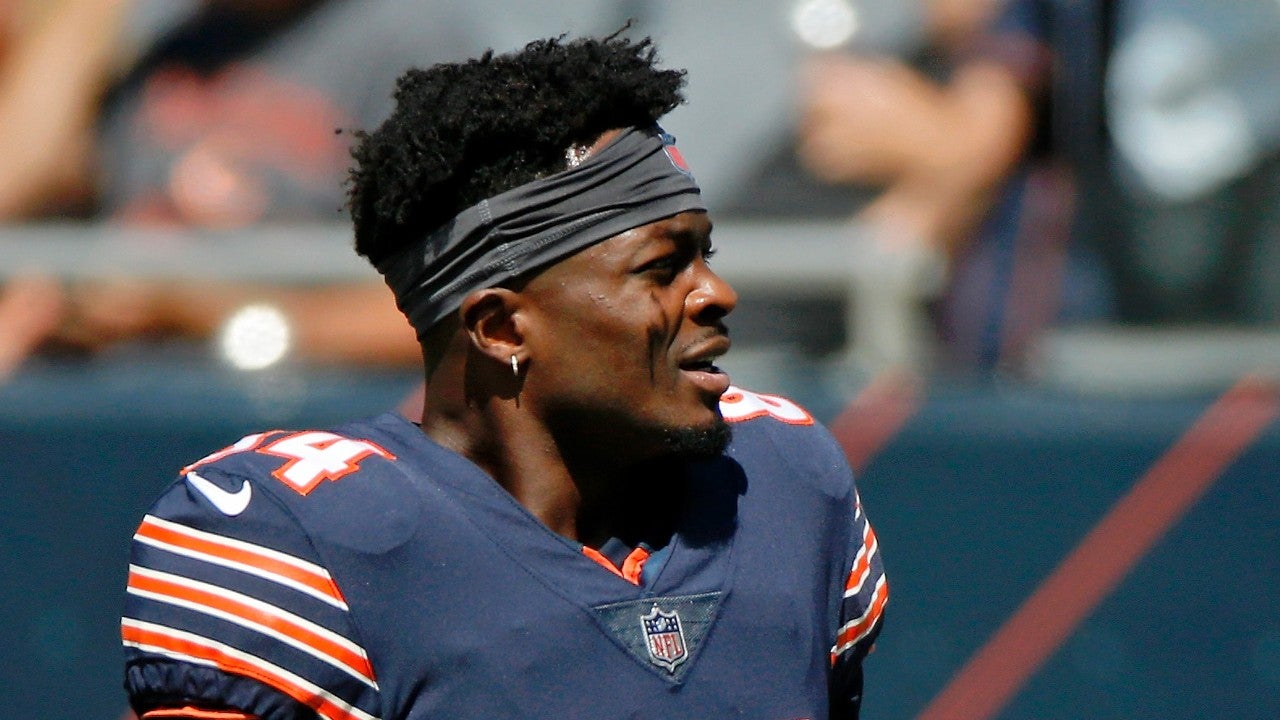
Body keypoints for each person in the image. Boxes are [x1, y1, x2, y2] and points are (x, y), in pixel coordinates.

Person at [119, 32, 888, 720]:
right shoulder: (308, 543)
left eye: (704, 253)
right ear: (499, 327)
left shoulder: (782, 480)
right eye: (662, 268)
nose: (716, 294)